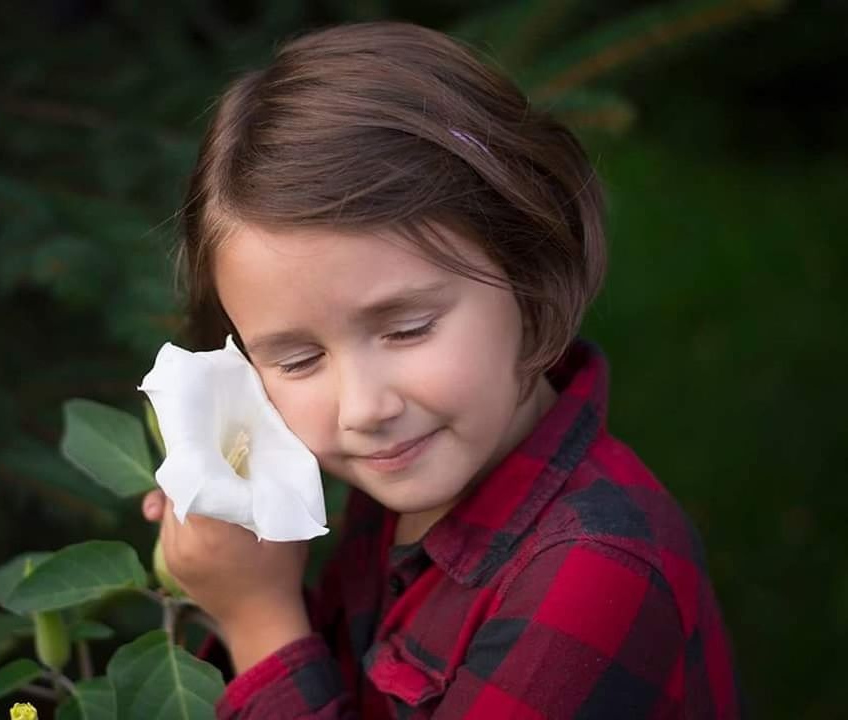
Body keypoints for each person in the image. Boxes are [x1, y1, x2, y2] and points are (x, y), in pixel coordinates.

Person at [140, 19, 743, 719]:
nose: (362, 407)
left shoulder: (594, 573)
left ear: (525, 268)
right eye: (299, 358)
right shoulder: (407, 489)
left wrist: (259, 621)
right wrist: (235, 564)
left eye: (406, 328)